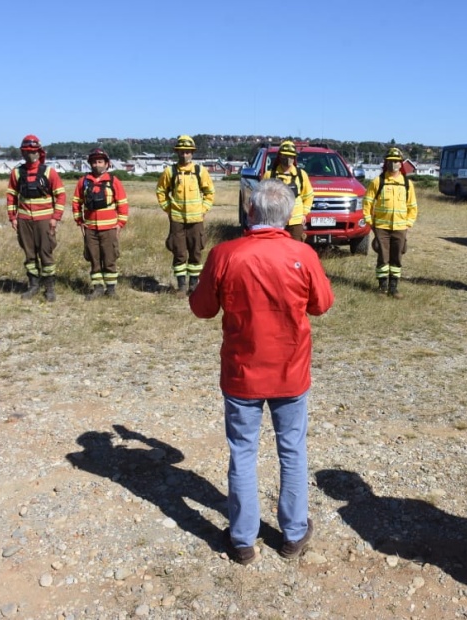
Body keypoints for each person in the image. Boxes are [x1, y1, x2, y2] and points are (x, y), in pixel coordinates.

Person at [189, 179, 334, 565]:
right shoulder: (302, 254)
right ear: (287, 216)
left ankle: (242, 540)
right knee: (292, 449)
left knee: (242, 452)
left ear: (251, 212)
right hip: (290, 371)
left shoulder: (225, 254)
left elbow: (202, 309)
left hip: (242, 374)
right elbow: (322, 305)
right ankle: (293, 533)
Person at [6, 135, 67, 302]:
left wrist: (55, 218)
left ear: (39, 152)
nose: (29, 155)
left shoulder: (49, 172)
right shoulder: (17, 173)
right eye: (26, 151)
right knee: (29, 254)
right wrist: (13, 217)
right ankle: (33, 285)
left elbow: (60, 195)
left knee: (46, 254)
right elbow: (11, 196)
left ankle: (49, 288)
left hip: (45, 220)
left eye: (32, 151)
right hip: (24, 220)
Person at [156, 134, 215, 294]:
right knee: (179, 253)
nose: (184, 155)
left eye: (187, 152)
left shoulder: (199, 171)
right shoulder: (170, 171)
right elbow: (161, 191)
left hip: (196, 220)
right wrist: (168, 209)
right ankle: (181, 286)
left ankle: (193, 285)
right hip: (177, 220)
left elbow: (209, 192)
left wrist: (203, 209)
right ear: (177, 153)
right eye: (181, 152)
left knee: (196, 252)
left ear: (192, 153)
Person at [72, 148, 130, 299]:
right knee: (94, 258)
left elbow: (122, 204)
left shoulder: (113, 181)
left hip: (109, 228)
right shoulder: (83, 182)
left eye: (100, 161)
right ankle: (97, 288)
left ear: (106, 164)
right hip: (90, 228)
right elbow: (76, 202)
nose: (97, 165)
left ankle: (111, 290)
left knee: (109, 258)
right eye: (94, 162)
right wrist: (80, 222)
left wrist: (120, 224)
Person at [362, 147, 418, 298]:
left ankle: (394, 288)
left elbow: (412, 207)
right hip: (381, 227)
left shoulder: (407, 184)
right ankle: (382, 287)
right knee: (383, 258)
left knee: (397, 257)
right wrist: (369, 221)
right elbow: (367, 203)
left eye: (396, 161)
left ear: (401, 164)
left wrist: (408, 223)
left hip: (400, 227)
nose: (393, 164)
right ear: (386, 163)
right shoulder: (378, 182)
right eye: (390, 161)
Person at [263, 140, 314, 241]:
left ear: (294, 158)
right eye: (285, 156)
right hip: (275, 221)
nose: (287, 159)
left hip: (295, 222)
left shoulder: (301, 174)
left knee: (295, 251)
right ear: (279, 156)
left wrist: (304, 213)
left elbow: (309, 195)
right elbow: (262, 198)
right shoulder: (269, 175)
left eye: (291, 156)